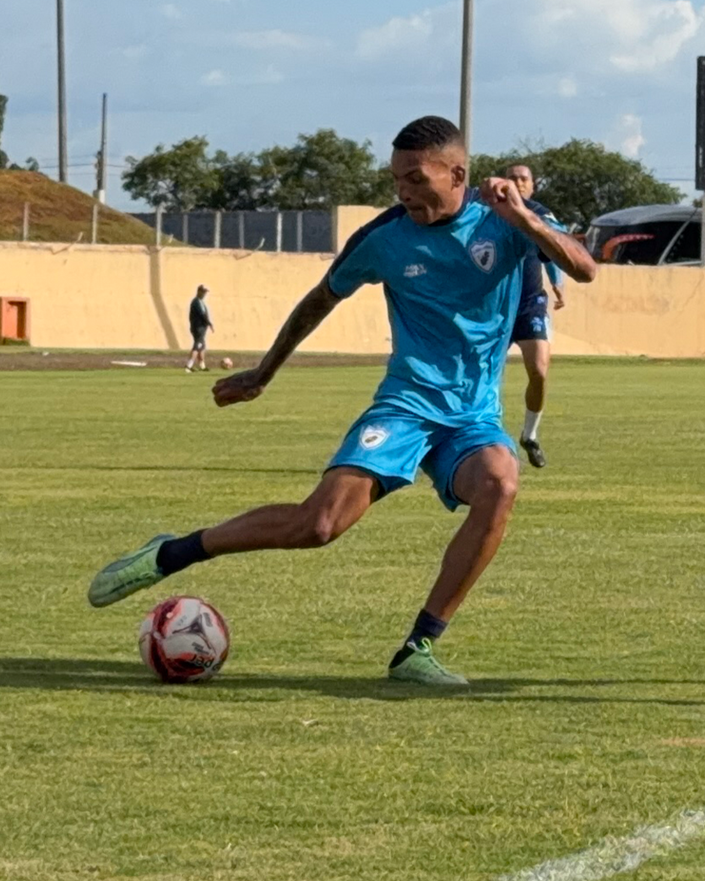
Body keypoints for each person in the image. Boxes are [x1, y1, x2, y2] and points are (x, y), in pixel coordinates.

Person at [88, 116, 597, 686]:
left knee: (501, 483)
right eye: (396, 180)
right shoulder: (385, 237)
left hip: (472, 418)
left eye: (415, 178)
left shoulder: (505, 223)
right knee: (320, 524)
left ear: (457, 173)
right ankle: (174, 552)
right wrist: (264, 372)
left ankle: (418, 648)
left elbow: (584, 268)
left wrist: (521, 216)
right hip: (405, 405)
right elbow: (318, 300)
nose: (403, 191)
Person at [501, 161, 566, 467]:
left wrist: (557, 282)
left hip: (530, 304)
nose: (518, 182)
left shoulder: (539, 214)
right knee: (484, 377)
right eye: (512, 178)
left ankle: (530, 435)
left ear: (532, 185)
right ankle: (481, 433)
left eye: (523, 178)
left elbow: (553, 245)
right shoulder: (491, 212)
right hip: (494, 307)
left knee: (539, 371)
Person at [186, 285, 213, 373]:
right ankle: (188, 366)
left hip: (200, 327)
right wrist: (209, 323)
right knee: (198, 345)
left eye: (205, 292)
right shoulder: (197, 302)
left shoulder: (200, 302)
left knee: (202, 346)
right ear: (199, 291)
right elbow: (202, 314)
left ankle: (202, 365)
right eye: (203, 292)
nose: (204, 294)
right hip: (198, 327)